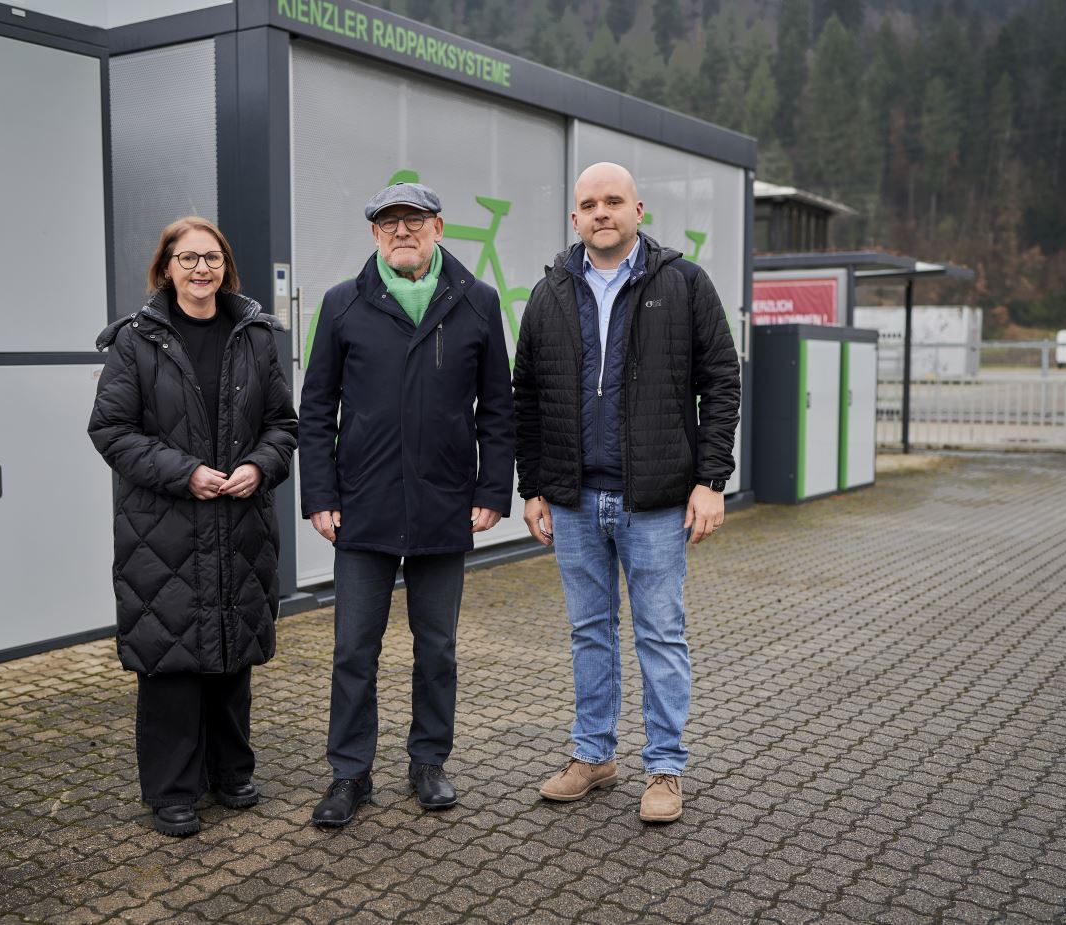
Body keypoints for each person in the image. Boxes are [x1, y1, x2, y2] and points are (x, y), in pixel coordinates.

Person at [512, 163, 740, 824]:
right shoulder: (550, 293)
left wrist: (710, 480)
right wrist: (534, 487)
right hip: (575, 500)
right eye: (589, 203)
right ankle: (594, 756)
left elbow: (721, 381)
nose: (601, 212)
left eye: (613, 201)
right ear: (575, 218)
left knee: (661, 635)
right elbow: (526, 395)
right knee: (589, 632)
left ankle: (665, 766)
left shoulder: (684, 283)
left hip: (658, 499)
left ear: (638, 209)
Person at [299, 181, 514, 827]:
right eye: (388, 222)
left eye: (413, 221)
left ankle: (428, 762)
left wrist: (491, 491)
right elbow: (314, 411)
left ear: (439, 229)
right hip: (361, 508)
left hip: (443, 505)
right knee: (353, 648)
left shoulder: (475, 302)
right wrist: (319, 495)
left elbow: (498, 408)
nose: (401, 232)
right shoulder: (343, 305)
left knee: (437, 646)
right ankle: (349, 773)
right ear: (373, 234)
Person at [88, 216, 297, 836]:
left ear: (226, 267)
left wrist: (260, 467)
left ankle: (230, 771)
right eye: (188, 259)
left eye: (212, 258)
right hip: (165, 526)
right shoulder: (136, 340)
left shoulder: (255, 336)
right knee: (170, 660)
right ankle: (173, 789)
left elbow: (283, 425)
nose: (201, 269)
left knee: (233, 654)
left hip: (240, 522)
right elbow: (111, 430)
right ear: (166, 268)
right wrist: (185, 473)